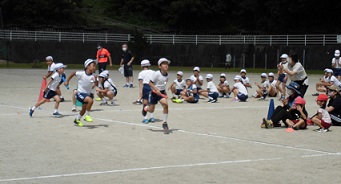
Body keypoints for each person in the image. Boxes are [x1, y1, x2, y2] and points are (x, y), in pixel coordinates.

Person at [65, 59, 97, 127]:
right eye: (93, 66)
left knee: (83, 110)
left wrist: (96, 80)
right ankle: (87, 116)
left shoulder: (93, 76)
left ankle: (77, 120)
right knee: (90, 101)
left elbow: (96, 84)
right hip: (79, 93)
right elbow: (73, 73)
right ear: (87, 66)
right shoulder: (81, 73)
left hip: (87, 94)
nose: (94, 67)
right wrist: (67, 81)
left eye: (95, 66)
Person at [143, 58, 170, 132]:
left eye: (167, 64)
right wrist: (156, 89)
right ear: (160, 66)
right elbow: (150, 83)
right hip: (154, 93)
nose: (166, 65)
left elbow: (163, 84)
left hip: (161, 93)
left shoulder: (167, 75)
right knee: (151, 110)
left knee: (165, 105)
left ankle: (164, 122)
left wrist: (164, 92)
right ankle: (146, 108)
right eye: (164, 64)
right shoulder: (157, 73)